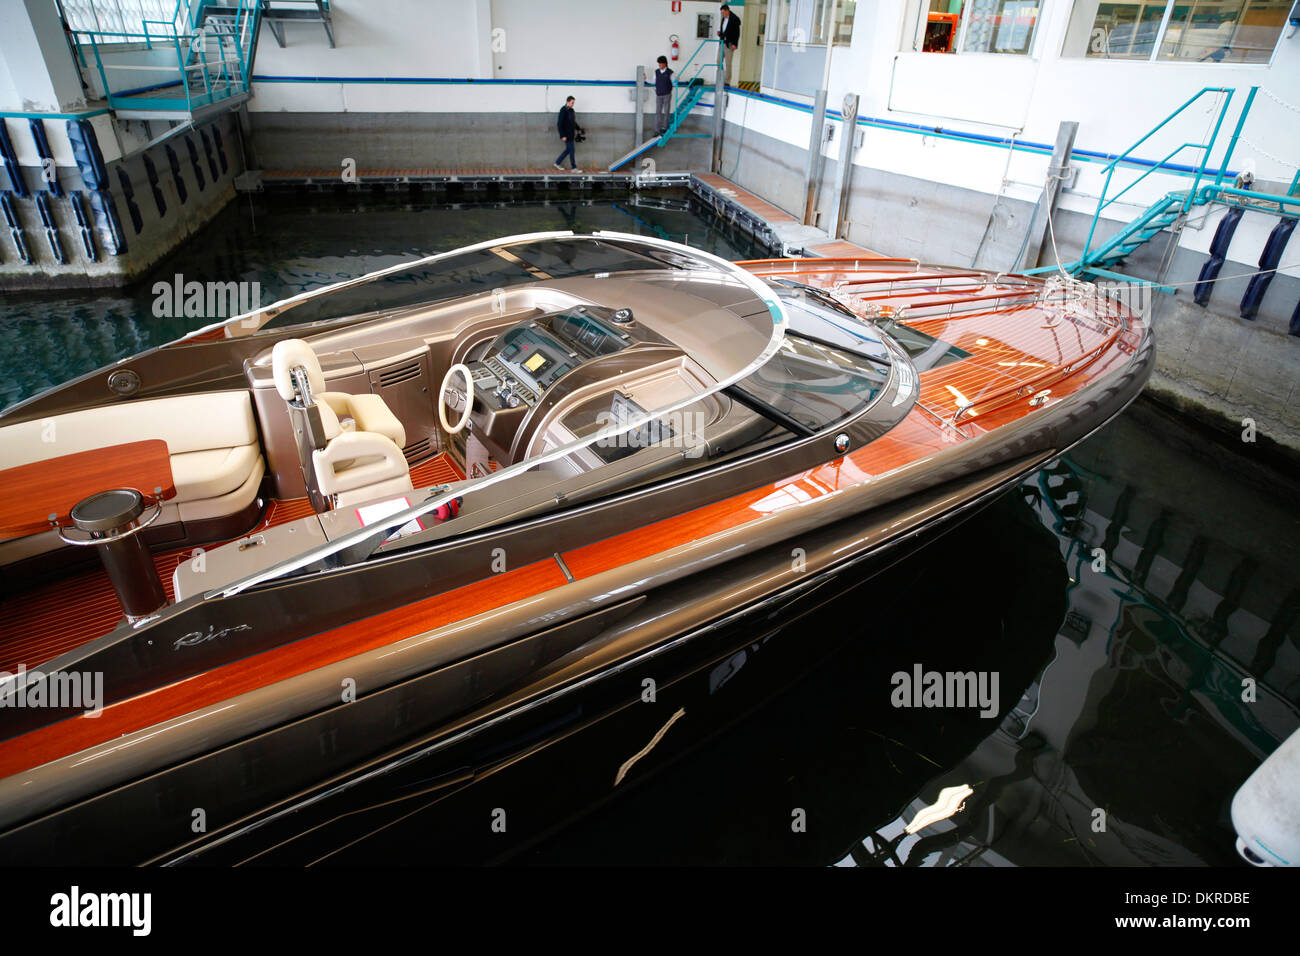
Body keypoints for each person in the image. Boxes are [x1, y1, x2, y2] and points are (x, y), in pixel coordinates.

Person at [554, 96, 583, 172]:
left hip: (571, 134)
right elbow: (559, 124)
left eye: (573, 103)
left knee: (568, 150)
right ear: (567, 102)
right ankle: (574, 168)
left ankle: (557, 163)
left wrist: (578, 129)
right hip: (566, 135)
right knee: (572, 150)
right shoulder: (563, 110)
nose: (573, 104)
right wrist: (562, 135)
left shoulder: (572, 110)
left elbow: (573, 122)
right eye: (572, 103)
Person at [718, 3, 741, 83]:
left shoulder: (735, 19)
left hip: (730, 44)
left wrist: (735, 44)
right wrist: (720, 34)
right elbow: (725, 31)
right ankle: (720, 77)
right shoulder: (723, 19)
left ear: (727, 11)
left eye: (723, 12)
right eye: (721, 13)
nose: (722, 14)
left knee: (728, 63)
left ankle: (727, 81)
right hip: (722, 42)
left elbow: (737, 33)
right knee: (718, 61)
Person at [652, 55, 674, 136]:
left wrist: (677, 80)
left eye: (660, 64)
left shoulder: (670, 72)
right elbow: (653, 82)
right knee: (658, 112)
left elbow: (674, 82)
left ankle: (664, 127)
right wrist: (646, 79)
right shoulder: (656, 72)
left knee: (666, 111)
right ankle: (657, 130)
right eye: (659, 64)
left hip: (667, 94)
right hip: (658, 95)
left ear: (665, 64)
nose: (659, 65)